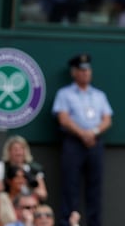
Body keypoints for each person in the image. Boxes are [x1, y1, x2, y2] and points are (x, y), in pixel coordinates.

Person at [52, 53, 113, 226]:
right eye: (81, 70)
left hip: (95, 143)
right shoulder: (64, 94)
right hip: (73, 143)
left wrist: (92, 132)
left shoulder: (99, 95)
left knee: (95, 188)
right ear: (74, 73)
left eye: (87, 70)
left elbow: (107, 119)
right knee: (70, 187)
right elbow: (63, 118)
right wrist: (82, 134)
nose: (85, 73)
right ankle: (68, 223)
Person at [0, 135, 47, 202]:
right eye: (15, 149)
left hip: (28, 202)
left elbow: (43, 194)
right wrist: (11, 183)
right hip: (9, 202)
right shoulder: (1, 166)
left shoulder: (34, 169)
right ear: (9, 151)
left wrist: (29, 184)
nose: (18, 153)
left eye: (21, 149)